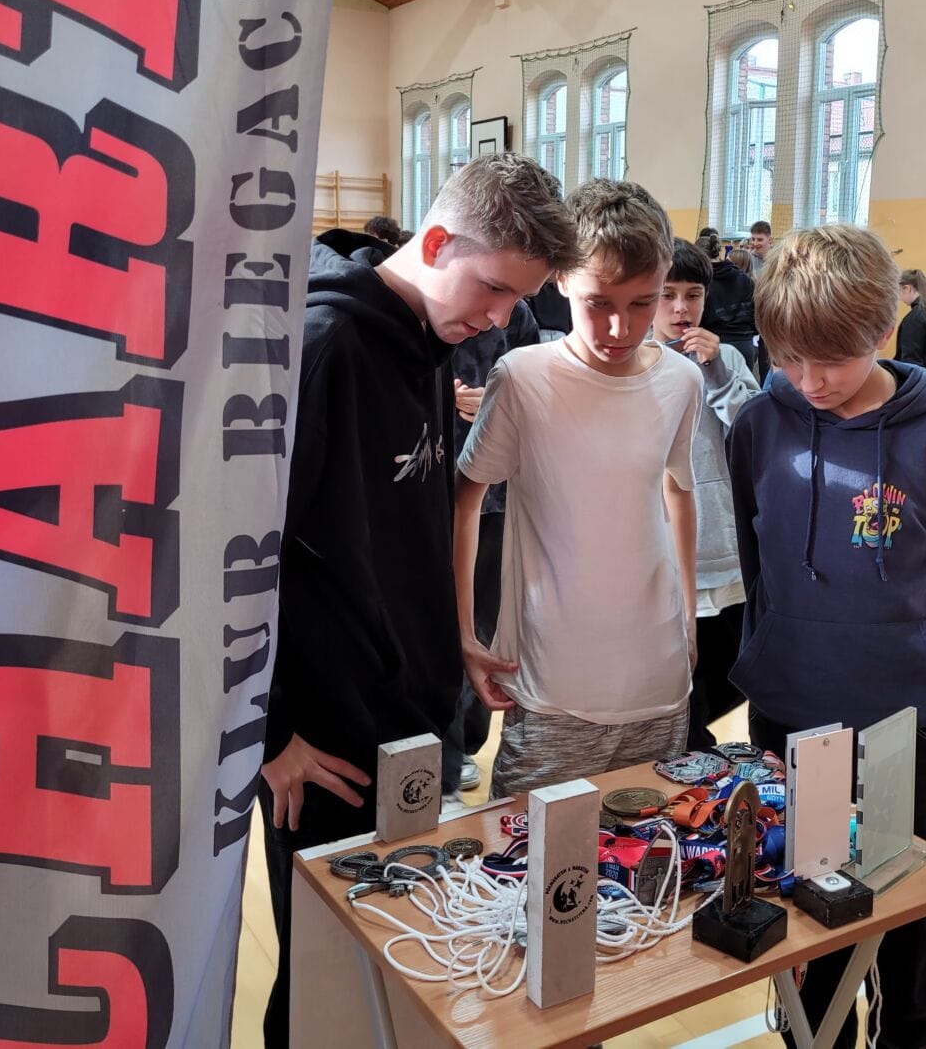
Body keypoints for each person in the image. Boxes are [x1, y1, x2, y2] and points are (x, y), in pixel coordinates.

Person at [258, 154, 575, 1048]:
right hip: (325, 745)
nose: (501, 319)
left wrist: (454, 636)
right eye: (494, 289)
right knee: (320, 984)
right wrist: (268, 736)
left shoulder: (431, 338)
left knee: (395, 966)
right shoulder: (323, 348)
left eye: (519, 300)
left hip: (413, 726)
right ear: (436, 242)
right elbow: (242, 563)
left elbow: (416, 523)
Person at [728, 224, 926, 1049]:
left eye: (831, 362)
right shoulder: (758, 425)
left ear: (882, 330)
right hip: (792, 712)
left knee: (909, 919)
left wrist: (911, 644)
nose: (809, 382)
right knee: (811, 920)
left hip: (905, 720)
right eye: (788, 360)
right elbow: (756, 557)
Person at [453, 180, 703, 797]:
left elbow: (678, 489)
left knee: (652, 844)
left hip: (657, 681)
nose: (620, 327)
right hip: (551, 687)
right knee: (530, 847)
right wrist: (464, 632)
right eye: (599, 302)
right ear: (562, 279)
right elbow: (465, 501)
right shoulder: (522, 378)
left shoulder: (682, 381)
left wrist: (688, 615)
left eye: (643, 303)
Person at [653, 239, 758, 749]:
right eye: (667, 294)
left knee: (736, 671)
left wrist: (715, 370)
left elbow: (754, 432)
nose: (681, 308)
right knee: (681, 691)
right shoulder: (635, 361)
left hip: (725, 551)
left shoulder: (728, 356)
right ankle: (694, 754)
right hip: (667, 557)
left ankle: (698, 744)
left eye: (692, 295)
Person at [443, 297, 541, 794]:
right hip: (430, 491)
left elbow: (533, 396)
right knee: (434, 624)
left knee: (483, 623)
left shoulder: (517, 317)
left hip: (495, 500)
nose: (494, 312)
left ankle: (464, 741)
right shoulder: (428, 311)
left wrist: (496, 406)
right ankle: (442, 746)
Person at [700, 230, 761, 371]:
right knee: (744, 385)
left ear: (699, 257)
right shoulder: (744, 278)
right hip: (744, 344)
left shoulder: (702, 282)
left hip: (714, 344)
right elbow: (756, 315)